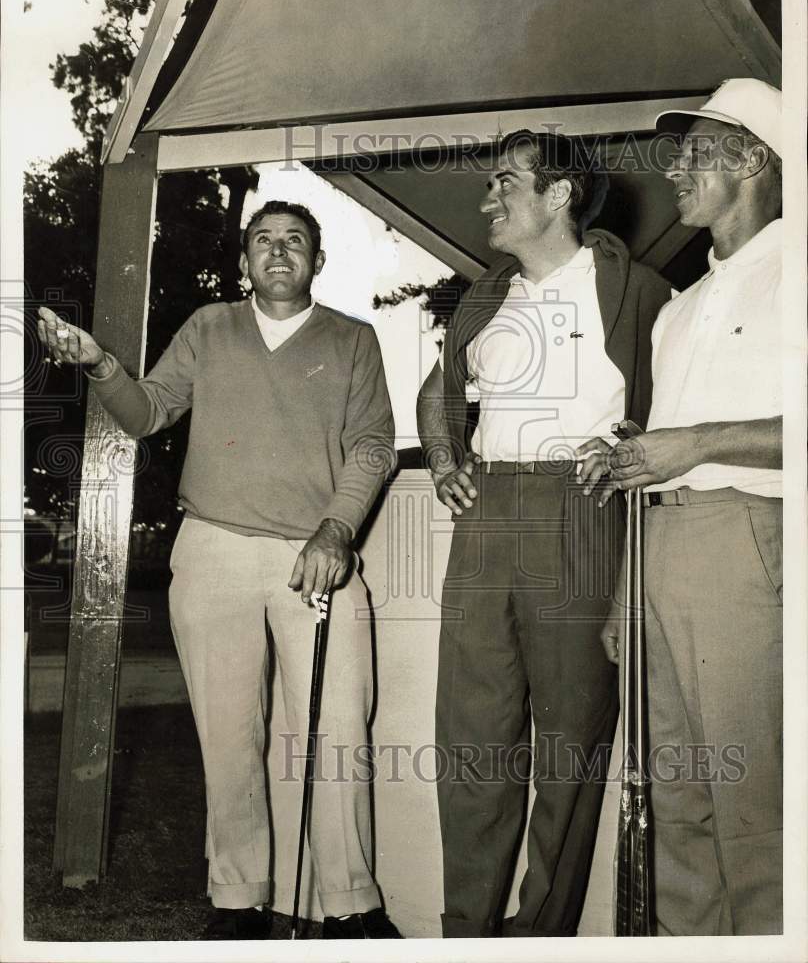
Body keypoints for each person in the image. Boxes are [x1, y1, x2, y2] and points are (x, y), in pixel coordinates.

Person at [37, 200, 402, 941]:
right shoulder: (210, 327)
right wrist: (99, 362)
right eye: (263, 240)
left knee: (338, 733)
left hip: (316, 556)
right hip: (214, 549)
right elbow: (146, 413)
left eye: (295, 241)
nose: (278, 251)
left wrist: (337, 529)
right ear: (243, 263)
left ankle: (352, 908)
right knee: (230, 735)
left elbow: (373, 446)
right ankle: (238, 901)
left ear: (317, 263)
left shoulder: (354, 340)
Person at [416, 130, 672, 937]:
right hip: (486, 514)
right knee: (471, 739)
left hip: (580, 512)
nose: (488, 199)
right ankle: (467, 934)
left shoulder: (637, 291)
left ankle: (539, 941)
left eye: (505, 183)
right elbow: (438, 388)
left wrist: (625, 437)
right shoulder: (487, 295)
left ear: (558, 195)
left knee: (570, 744)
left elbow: (679, 399)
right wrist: (444, 456)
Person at [578, 78, 784, 936]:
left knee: (756, 810)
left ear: (753, 162)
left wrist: (695, 444)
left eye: (696, 151)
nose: (674, 169)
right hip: (660, 549)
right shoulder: (680, 305)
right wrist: (631, 590)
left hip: (748, 542)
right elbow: (664, 453)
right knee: (674, 806)